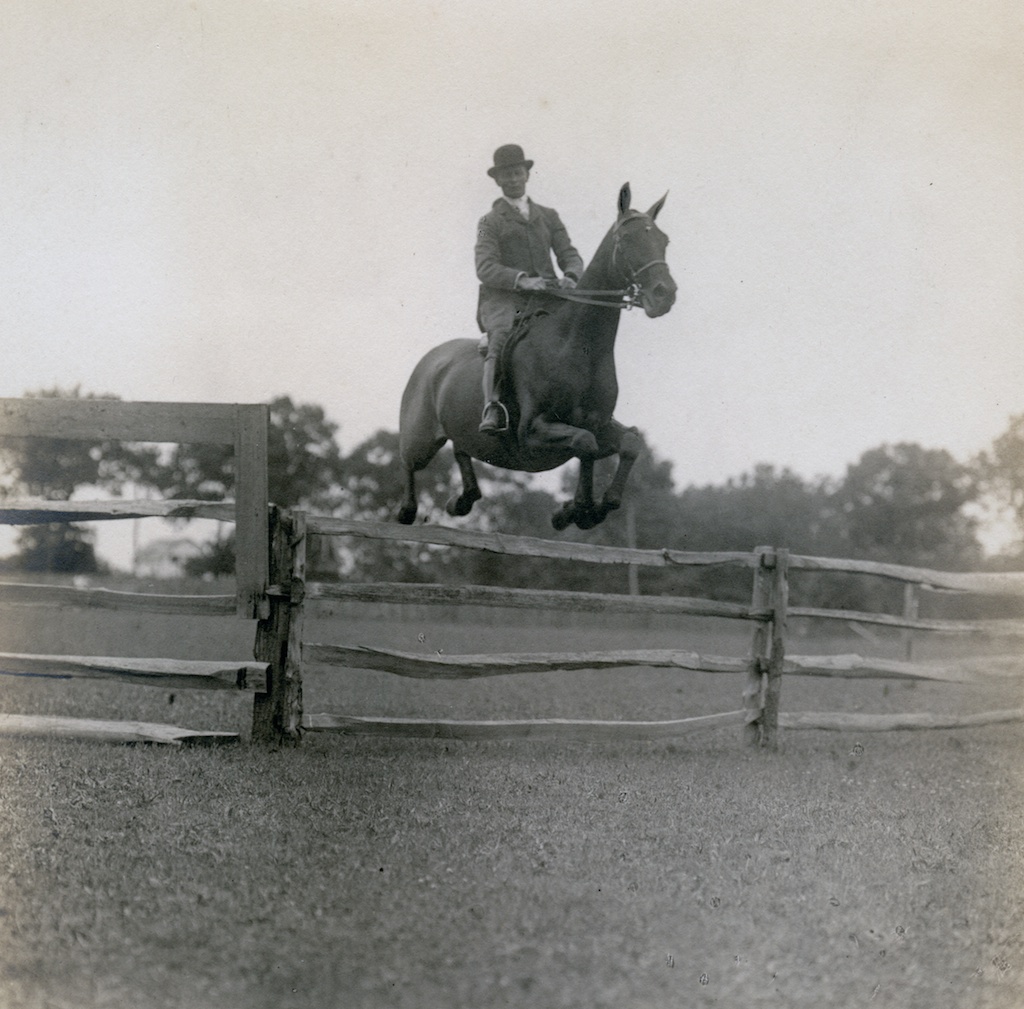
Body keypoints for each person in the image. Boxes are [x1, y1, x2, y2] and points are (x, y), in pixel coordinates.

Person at [475, 144, 584, 434]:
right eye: (505, 175)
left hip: (548, 295)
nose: (512, 179)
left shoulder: (549, 215)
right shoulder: (487, 222)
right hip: (505, 299)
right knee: (500, 338)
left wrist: (571, 276)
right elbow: (484, 267)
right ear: (497, 181)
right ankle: (492, 406)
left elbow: (569, 253)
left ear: (527, 174)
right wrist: (521, 279)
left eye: (516, 172)